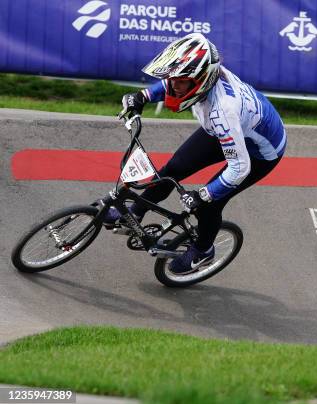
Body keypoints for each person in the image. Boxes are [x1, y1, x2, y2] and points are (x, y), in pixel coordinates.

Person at [105, 33, 286, 274]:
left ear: (200, 81)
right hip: (232, 128)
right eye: (173, 80)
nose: (174, 85)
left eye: (181, 82)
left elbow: (239, 168)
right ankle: (136, 212)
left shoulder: (223, 112)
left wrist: (204, 194)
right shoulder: (201, 80)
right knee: (173, 170)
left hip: (260, 153)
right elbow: (173, 81)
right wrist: (142, 97)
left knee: (209, 206)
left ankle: (203, 251)